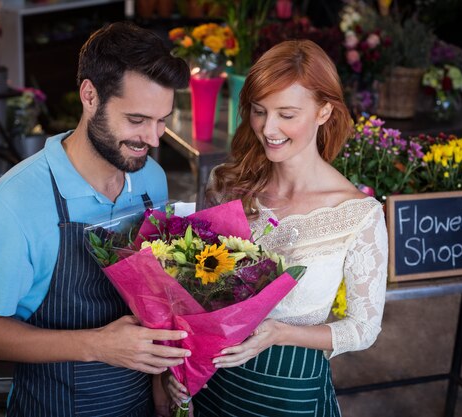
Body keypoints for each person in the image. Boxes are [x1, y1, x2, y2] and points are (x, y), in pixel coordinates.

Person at [0, 22, 192, 416]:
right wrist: (98, 345)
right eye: (137, 120)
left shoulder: (151, 178)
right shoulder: (13, 201)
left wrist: (160, 383)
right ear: (90, 96)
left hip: (138, 404)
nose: (154, 139)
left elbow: (157, 295)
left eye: (162, 120)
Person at [163, 39, 389, 416]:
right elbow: (193, 294)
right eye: (259, 111)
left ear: (324, 111)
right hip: (211, 376)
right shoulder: (225, 185)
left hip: (289, 389)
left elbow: (363, 329)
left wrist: (280, 333)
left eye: (286, 114)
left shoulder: (358, 215)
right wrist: (179, 368)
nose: (268, 128)